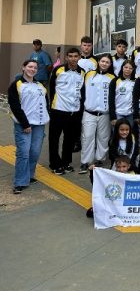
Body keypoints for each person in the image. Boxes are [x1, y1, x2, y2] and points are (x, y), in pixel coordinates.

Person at [8, 59, 50, 193]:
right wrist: (25, 124)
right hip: (23, 125)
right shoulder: (16, 84)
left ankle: (30, 175)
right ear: (23, 67)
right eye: (30, 67)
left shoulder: (40, 85)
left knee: (35, 152)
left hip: (39, 125)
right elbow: (15, 106)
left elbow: (46, 102)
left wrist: (46, 116)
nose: (32, 69)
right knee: (23, 153)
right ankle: (20, 182)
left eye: (35, 68)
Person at [48, 47, 85, 175]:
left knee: (69, 139)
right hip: (58, 110)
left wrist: (80, 110)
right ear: (66, 57)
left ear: (79, 57)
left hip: (74, 112)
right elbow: (51, 88)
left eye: (75, 56)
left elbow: (82, 92)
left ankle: (66, 162)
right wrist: (51, 107)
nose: (73, 59)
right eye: (70, 56)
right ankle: (54, 164)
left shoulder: (82, 72)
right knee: (54, 139)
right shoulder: (58, 70)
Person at [80, 54, 115, 173]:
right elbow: (82, 91)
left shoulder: (112, 78)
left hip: (105, 114)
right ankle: (85, 161)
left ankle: (100, 159)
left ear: (110, 64)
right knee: (87, 137)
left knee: (103, 138)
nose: (104, 64)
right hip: (89, 112)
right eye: (102, 61)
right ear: (98, 62)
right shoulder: (89, 75)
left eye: (107, 62)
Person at [109, 59, 136, 127]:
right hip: (118, 113)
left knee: (129, 132)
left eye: (130, 68)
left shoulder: (135, 81)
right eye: (126, 67)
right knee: (117, 133)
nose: (128, 69)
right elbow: (111, 100)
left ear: (133, 70)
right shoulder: (115, 81)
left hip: (131, 114)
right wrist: (113, 117)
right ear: (122, 68)